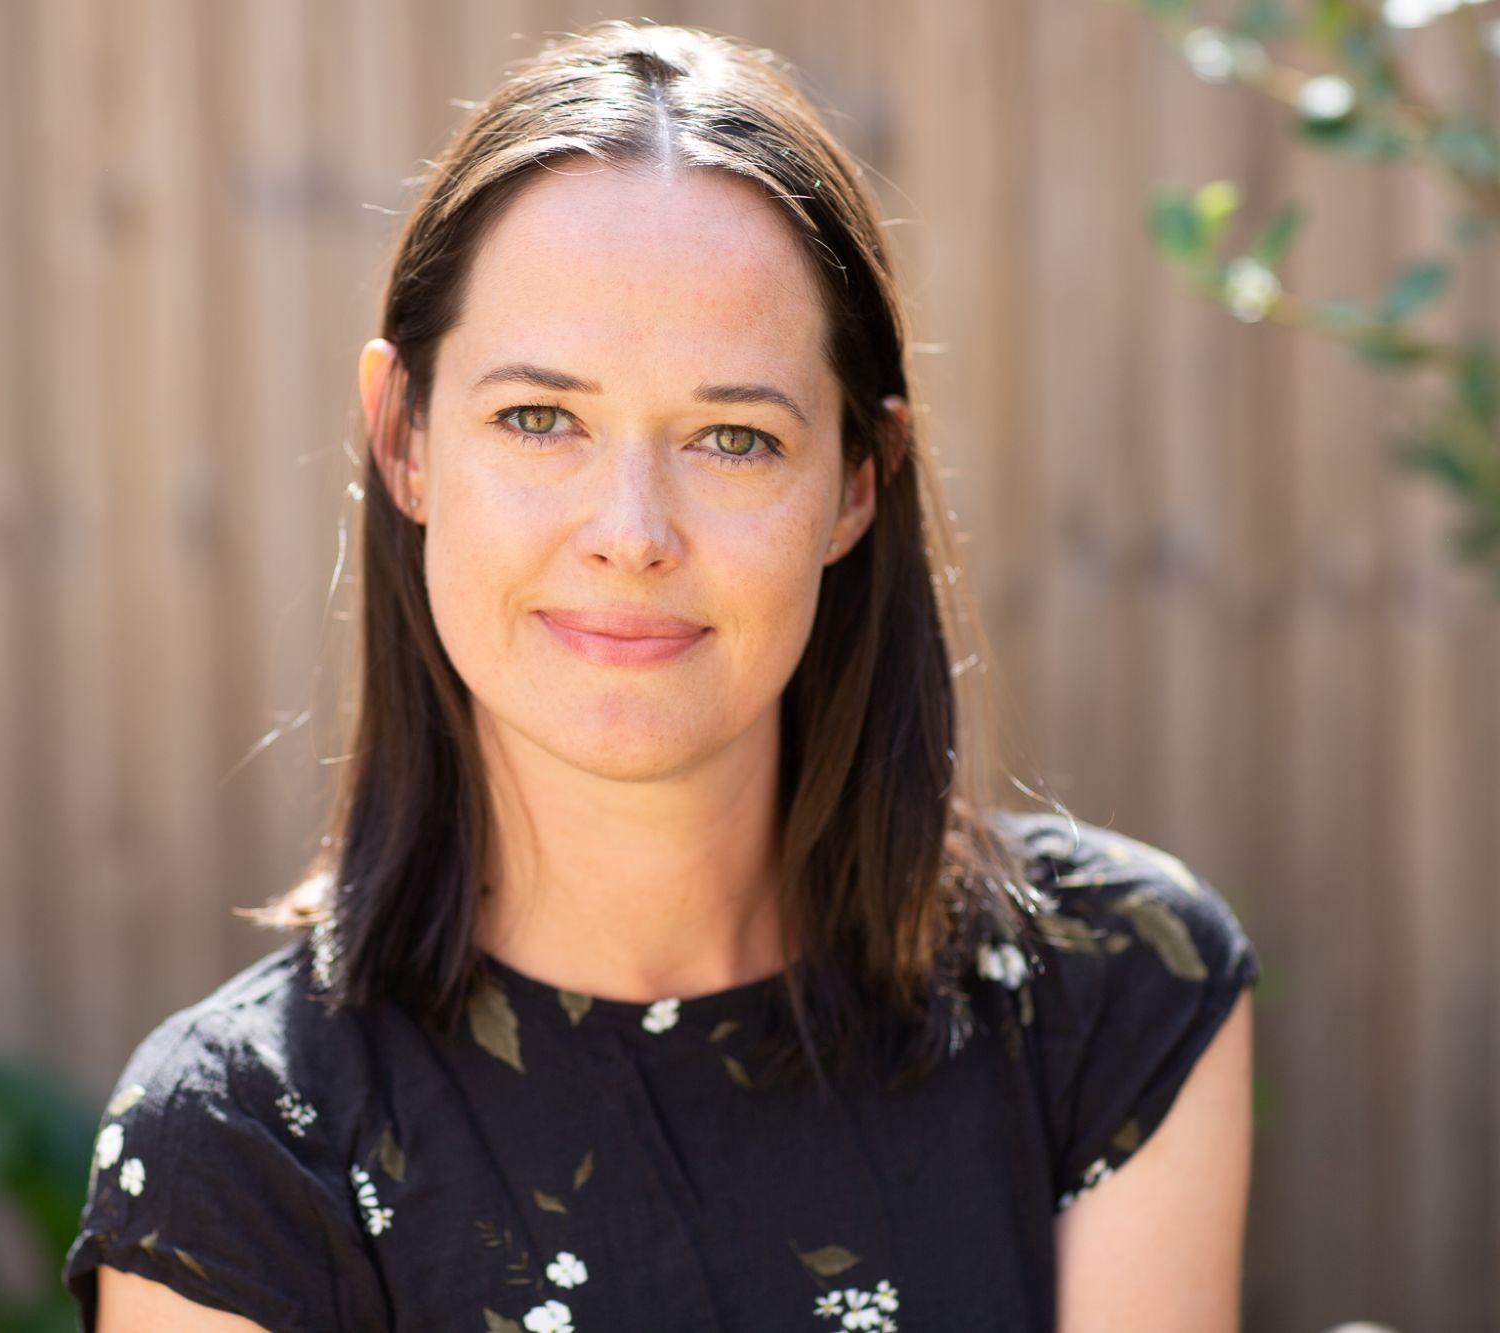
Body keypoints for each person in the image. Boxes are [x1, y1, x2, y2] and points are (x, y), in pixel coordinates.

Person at [63, 19, 1260, 1333]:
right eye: (539, 419)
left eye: (734, 438)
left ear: (859, 483)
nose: (631, 529)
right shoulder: (242, 1150)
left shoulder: (1115, 1001)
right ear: (404, 440)